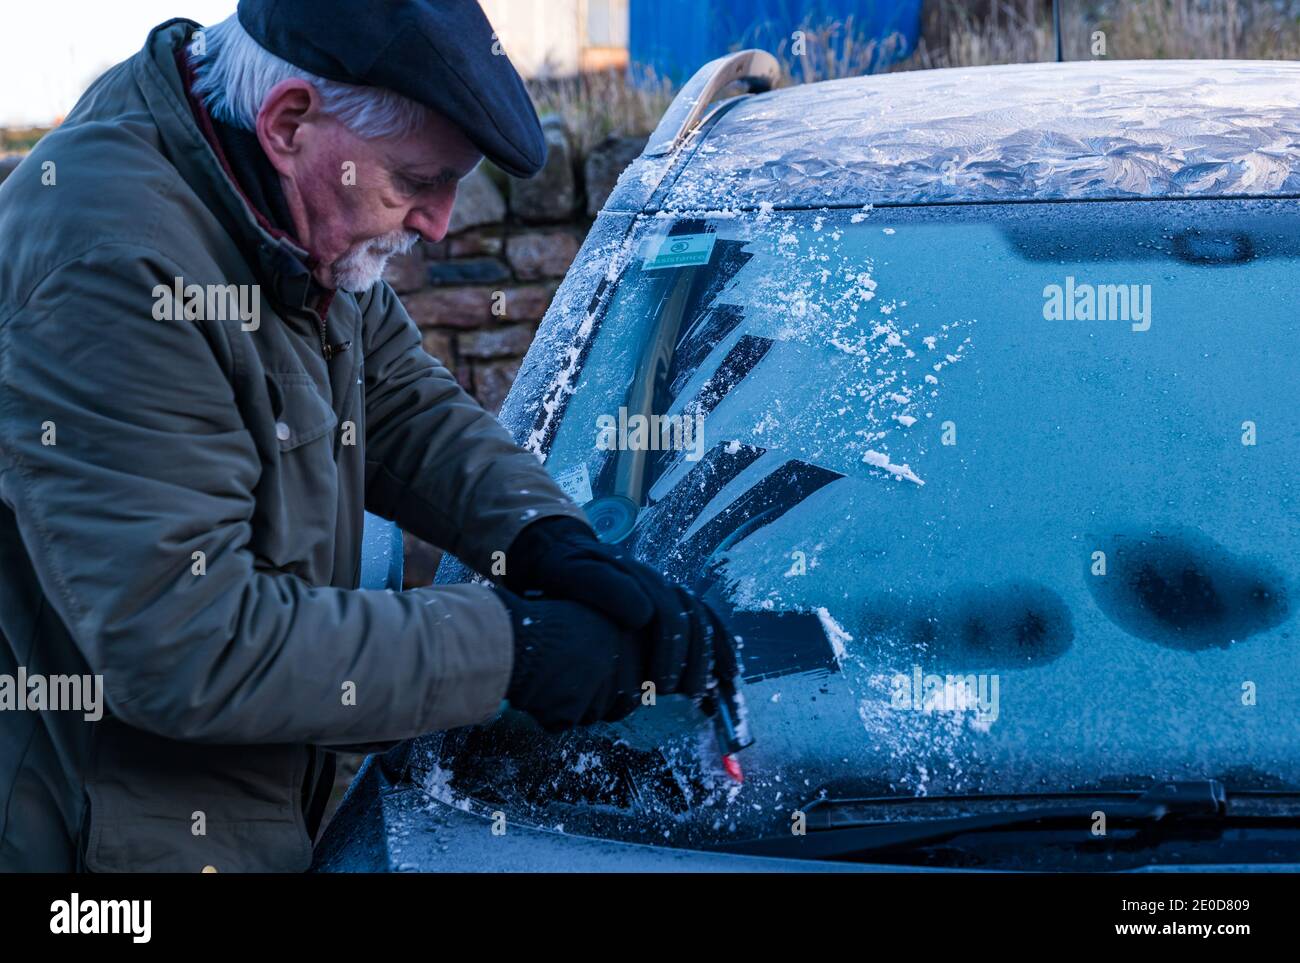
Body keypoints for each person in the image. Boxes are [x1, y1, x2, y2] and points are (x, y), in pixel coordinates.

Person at [0, 0, 738, 872]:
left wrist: (549, 538)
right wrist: (511, 648)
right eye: (417, 181)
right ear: (289, 122)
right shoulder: (113, 271)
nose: (438, 223)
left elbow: (397, 402)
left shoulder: (270, 201)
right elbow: (186, 642)